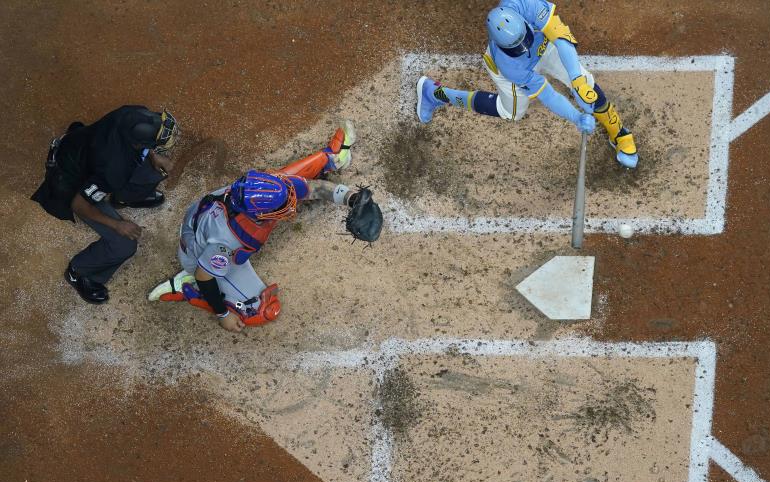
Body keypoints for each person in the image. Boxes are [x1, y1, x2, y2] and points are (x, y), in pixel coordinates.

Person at [148, 121, 383, 333]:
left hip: (205, 218)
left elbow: (314, 189)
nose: (292, 203)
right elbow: (204, 274)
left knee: (286, 179)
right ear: (259, 215)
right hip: (197, 255)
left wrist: (351, 199)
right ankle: (186, 288)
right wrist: (223, 314)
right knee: (263, 311)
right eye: (284, 206)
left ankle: (332, 157)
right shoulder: (227, 242)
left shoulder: (258, 189)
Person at [415, 0, 639, 169]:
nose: (523, 45)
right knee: (511, 112)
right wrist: (575, 117)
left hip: (546, 47)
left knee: (586, 84)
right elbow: (548, 95)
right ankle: (434, 93)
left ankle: (618, 133)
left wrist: (577, 80)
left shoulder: (526, 5)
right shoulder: (508, 63)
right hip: (517, 69)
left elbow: (561, 38)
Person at [31, 105, 179, 304]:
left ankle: (125, 197)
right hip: (70, 183)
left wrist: (153, 155)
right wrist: (118, 225)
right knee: (124, 244)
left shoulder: (129, 114)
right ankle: (80, 272)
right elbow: (79, 204)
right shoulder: (114, 168)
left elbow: (137, 142)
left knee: (151, 171)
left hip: (80, 147)